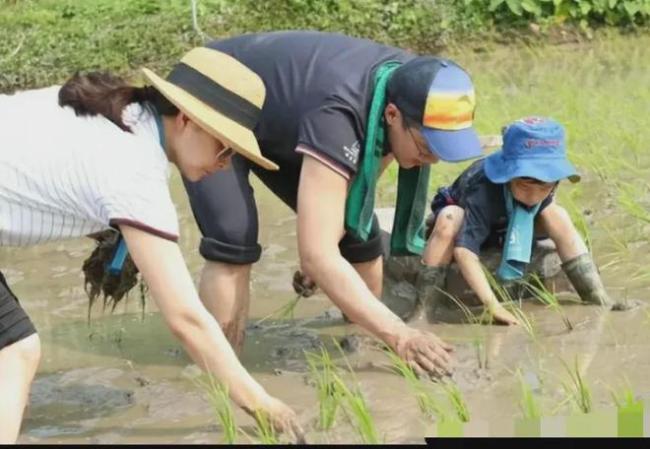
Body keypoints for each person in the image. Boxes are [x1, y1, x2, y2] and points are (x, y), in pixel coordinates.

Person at [0, 47, 302, 443]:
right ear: (188, 121)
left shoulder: (119, 113)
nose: (226, 163)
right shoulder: (136, 171)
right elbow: (186, 319)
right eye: (225, 147)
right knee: (15, 352)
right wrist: (262, 404)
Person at [182, 31, 484, 377]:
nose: (429, 160)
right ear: (392, 115)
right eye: (426, 147)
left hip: (284, 114)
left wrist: (325, 247)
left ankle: (362, 350)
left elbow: (357, 191)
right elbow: (318, 253)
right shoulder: (340, 114)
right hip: (214, 94)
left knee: (359, 234)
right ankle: (221, 373)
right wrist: (400, 332)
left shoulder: (409, 85)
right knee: (233, 236)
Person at [417, 116, 622, 324]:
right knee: (449, 218)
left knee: (558, 214)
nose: (533, 196)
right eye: (524, 186)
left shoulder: (547, 186)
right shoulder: (483, 189)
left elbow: (549, 211)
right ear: (508, 176)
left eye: (544, 188)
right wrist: (493, 306)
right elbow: (464, 251)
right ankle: (423, 309)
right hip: (470, 223)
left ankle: (597, 296)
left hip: (509, 225)